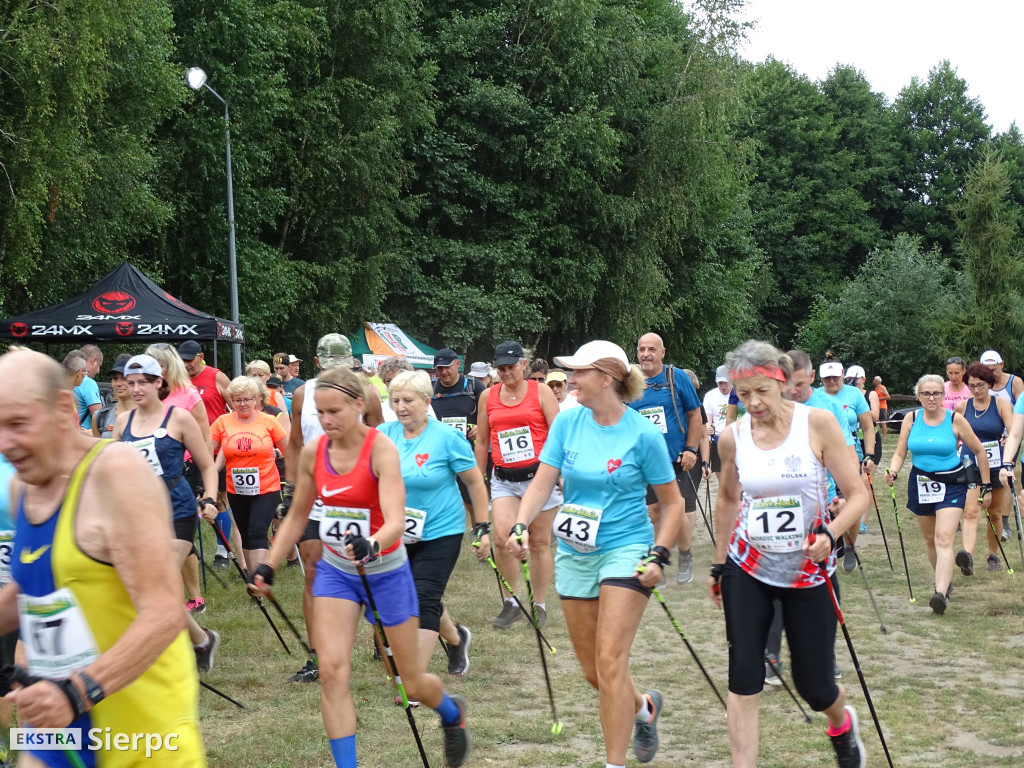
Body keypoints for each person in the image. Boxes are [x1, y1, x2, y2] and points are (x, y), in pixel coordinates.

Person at [251, 366, 471, 768]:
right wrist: (269, 564)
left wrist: (372, 543)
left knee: (410, 682)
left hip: (386, 571)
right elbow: (298, 514)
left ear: (358, 405)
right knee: (332, 673)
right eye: (320, 412)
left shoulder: (380, 448)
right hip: (337, 573)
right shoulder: (316, 452)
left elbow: (396, 520)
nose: (326, 421)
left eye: (334, 411)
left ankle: (451, 712)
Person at [0, 349, 205, 766]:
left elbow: (164, 612)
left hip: (138, 731)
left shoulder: (115, 472)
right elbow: (36, 584)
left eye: (19, 424)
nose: (5, 443)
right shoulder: (24, 486)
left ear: (63, 409)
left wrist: (78, 693)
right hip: (54, 720)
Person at [505, 340, 681, 766]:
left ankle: (613, 763)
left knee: (610, 661)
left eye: (579, 372)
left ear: (606, 377)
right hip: (575, 551)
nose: (571, 379)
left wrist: (659, 554)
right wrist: (520, 524)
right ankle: (643, 707)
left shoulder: (642, 434)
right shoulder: (568, 422)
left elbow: (672, 503)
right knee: (594, 673)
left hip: (626, 548)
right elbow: (543, 482)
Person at [709, 340, 869, 768]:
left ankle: (841, 723)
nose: (753, 403)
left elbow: (858, 495)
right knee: (744, 676)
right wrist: (720, 563)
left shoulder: (817, 424)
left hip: (808, 569)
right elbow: (728, 498)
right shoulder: (733, 436)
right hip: (748, 566)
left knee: (815, 686)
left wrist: (831, 533)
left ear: (782, 382)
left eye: (761, 391)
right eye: (743, 395)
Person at [283, 333, 384, 683]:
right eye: (329, 366)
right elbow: (294, 443)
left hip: (358, 497)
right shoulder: (302, 394)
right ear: (317, 363)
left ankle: (382, 640)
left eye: (342, 366)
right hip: (316, 496)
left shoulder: (366, 393)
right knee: (313, 570)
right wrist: (290, 488)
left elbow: (383, 440)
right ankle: (316, 655)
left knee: (366, 568)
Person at [112, 354, 222, 663]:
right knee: (147, 587)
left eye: (143, 383)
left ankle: (159, 654)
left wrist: (210, 498)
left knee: (156, 584)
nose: (135, 389)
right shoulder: (123, 423)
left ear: (158, 382)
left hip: (178, 510)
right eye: (131, 383)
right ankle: (202, 640)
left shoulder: (178, 418)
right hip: (140, 515)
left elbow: (207, 465)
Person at [380, 370, 490, 676]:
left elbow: (475, 483)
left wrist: (482, 527)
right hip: (397, 530)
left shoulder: (447, 437)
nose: (401, 407)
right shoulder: (383, 435)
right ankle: (456, 638)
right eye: (395, 400)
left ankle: (413, 680)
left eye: (408, 400)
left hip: (442, 530)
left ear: (427, 401)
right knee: (407, 594)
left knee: (424, 597)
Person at [474, 340, 562, 629]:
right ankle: (511, 602)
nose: (506, 373)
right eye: (500, 369)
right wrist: (478, 479)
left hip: (539, 477)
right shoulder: (488, 396)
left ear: (523, 365)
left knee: (538, 543)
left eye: (511, 367)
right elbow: (483, 440)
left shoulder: (541, 391)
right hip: (504, 479)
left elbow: (558, 434)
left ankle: (540, 605)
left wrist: (561, 473)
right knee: (502, 537)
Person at [885, 374, 991, 614]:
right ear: (919, 396)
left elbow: (979, 450)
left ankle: (940, 594)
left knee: (944, 538)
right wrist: (893, 470)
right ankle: (945, 581)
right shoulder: (911, 419)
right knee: (930, 538)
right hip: (921, 482)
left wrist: (985, 484)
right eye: (926, 394)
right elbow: (900, 453)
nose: (931, 398)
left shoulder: (955, 419)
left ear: (944, 395)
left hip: (951, 483)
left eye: (936, 393)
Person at [628, 333, 702, 584]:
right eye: (641, 349)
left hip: (677, 458)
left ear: (662, 352)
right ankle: (656, 561)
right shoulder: (631, 381)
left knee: (677, 511)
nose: (645, 354)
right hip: (646, 461)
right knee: (652, 513)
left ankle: (685, 554)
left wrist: (692, 449)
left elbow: (695, 414)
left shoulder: (676, 377)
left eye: (651, 349)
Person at [211, 376, 288, 570]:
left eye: (247, 399)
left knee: (257, 532)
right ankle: (253, 576)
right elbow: (206, 452)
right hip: (236, 489)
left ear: (256, 399)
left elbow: (290, 450)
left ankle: (259, 579)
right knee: (246, 535)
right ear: (232, 401)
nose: (242, 404)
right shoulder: (222, 422)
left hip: (266, 487)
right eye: (237, 400)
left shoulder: (268, 421)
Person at [953, 364, 1013, 574]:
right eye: (971, 386)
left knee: (994, 514)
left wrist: (1007, 442)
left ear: (989, 384)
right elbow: (954, 436)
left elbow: (1012, 431)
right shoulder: (962, 407)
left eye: (980, 385)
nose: (976, 390)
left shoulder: (1000, 404)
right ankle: (967, 557)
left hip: (995, 464)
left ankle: (993, 555)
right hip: (970, 463)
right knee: (970, 511)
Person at [818, 353, 876, 571]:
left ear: (843, 374)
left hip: (851, 452)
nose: (832, 381)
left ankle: (850, 544)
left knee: (851, 501)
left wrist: (869, 455)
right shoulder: (815, 396)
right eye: (827, 378)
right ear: (820, 378)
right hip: (822, 456)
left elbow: (868, 427)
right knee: (828, 503)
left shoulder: (854, 394)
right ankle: (832, 541)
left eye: (835, 376)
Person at [431, 348, 486, 441]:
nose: (444, 372)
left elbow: (490, 414)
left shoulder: (474, 385)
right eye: (440, 368)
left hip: (468, 446)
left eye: (447, 367)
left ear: (458, 364)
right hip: (439, 445)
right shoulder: (429, 388)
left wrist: (480, 428)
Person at [91, 354, 134, 437]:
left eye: (124, 378)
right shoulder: (100, 417)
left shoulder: (148, 415)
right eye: (115, 378)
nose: (118, 383)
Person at [703, 366, 732, 481]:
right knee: (723, 481)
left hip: (737, 440)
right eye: (720, 383)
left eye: (726, 383)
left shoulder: (740, 393)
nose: (723, 387)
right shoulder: (710, 396)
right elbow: (707, 421)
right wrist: (708, 427)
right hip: (718, 440)